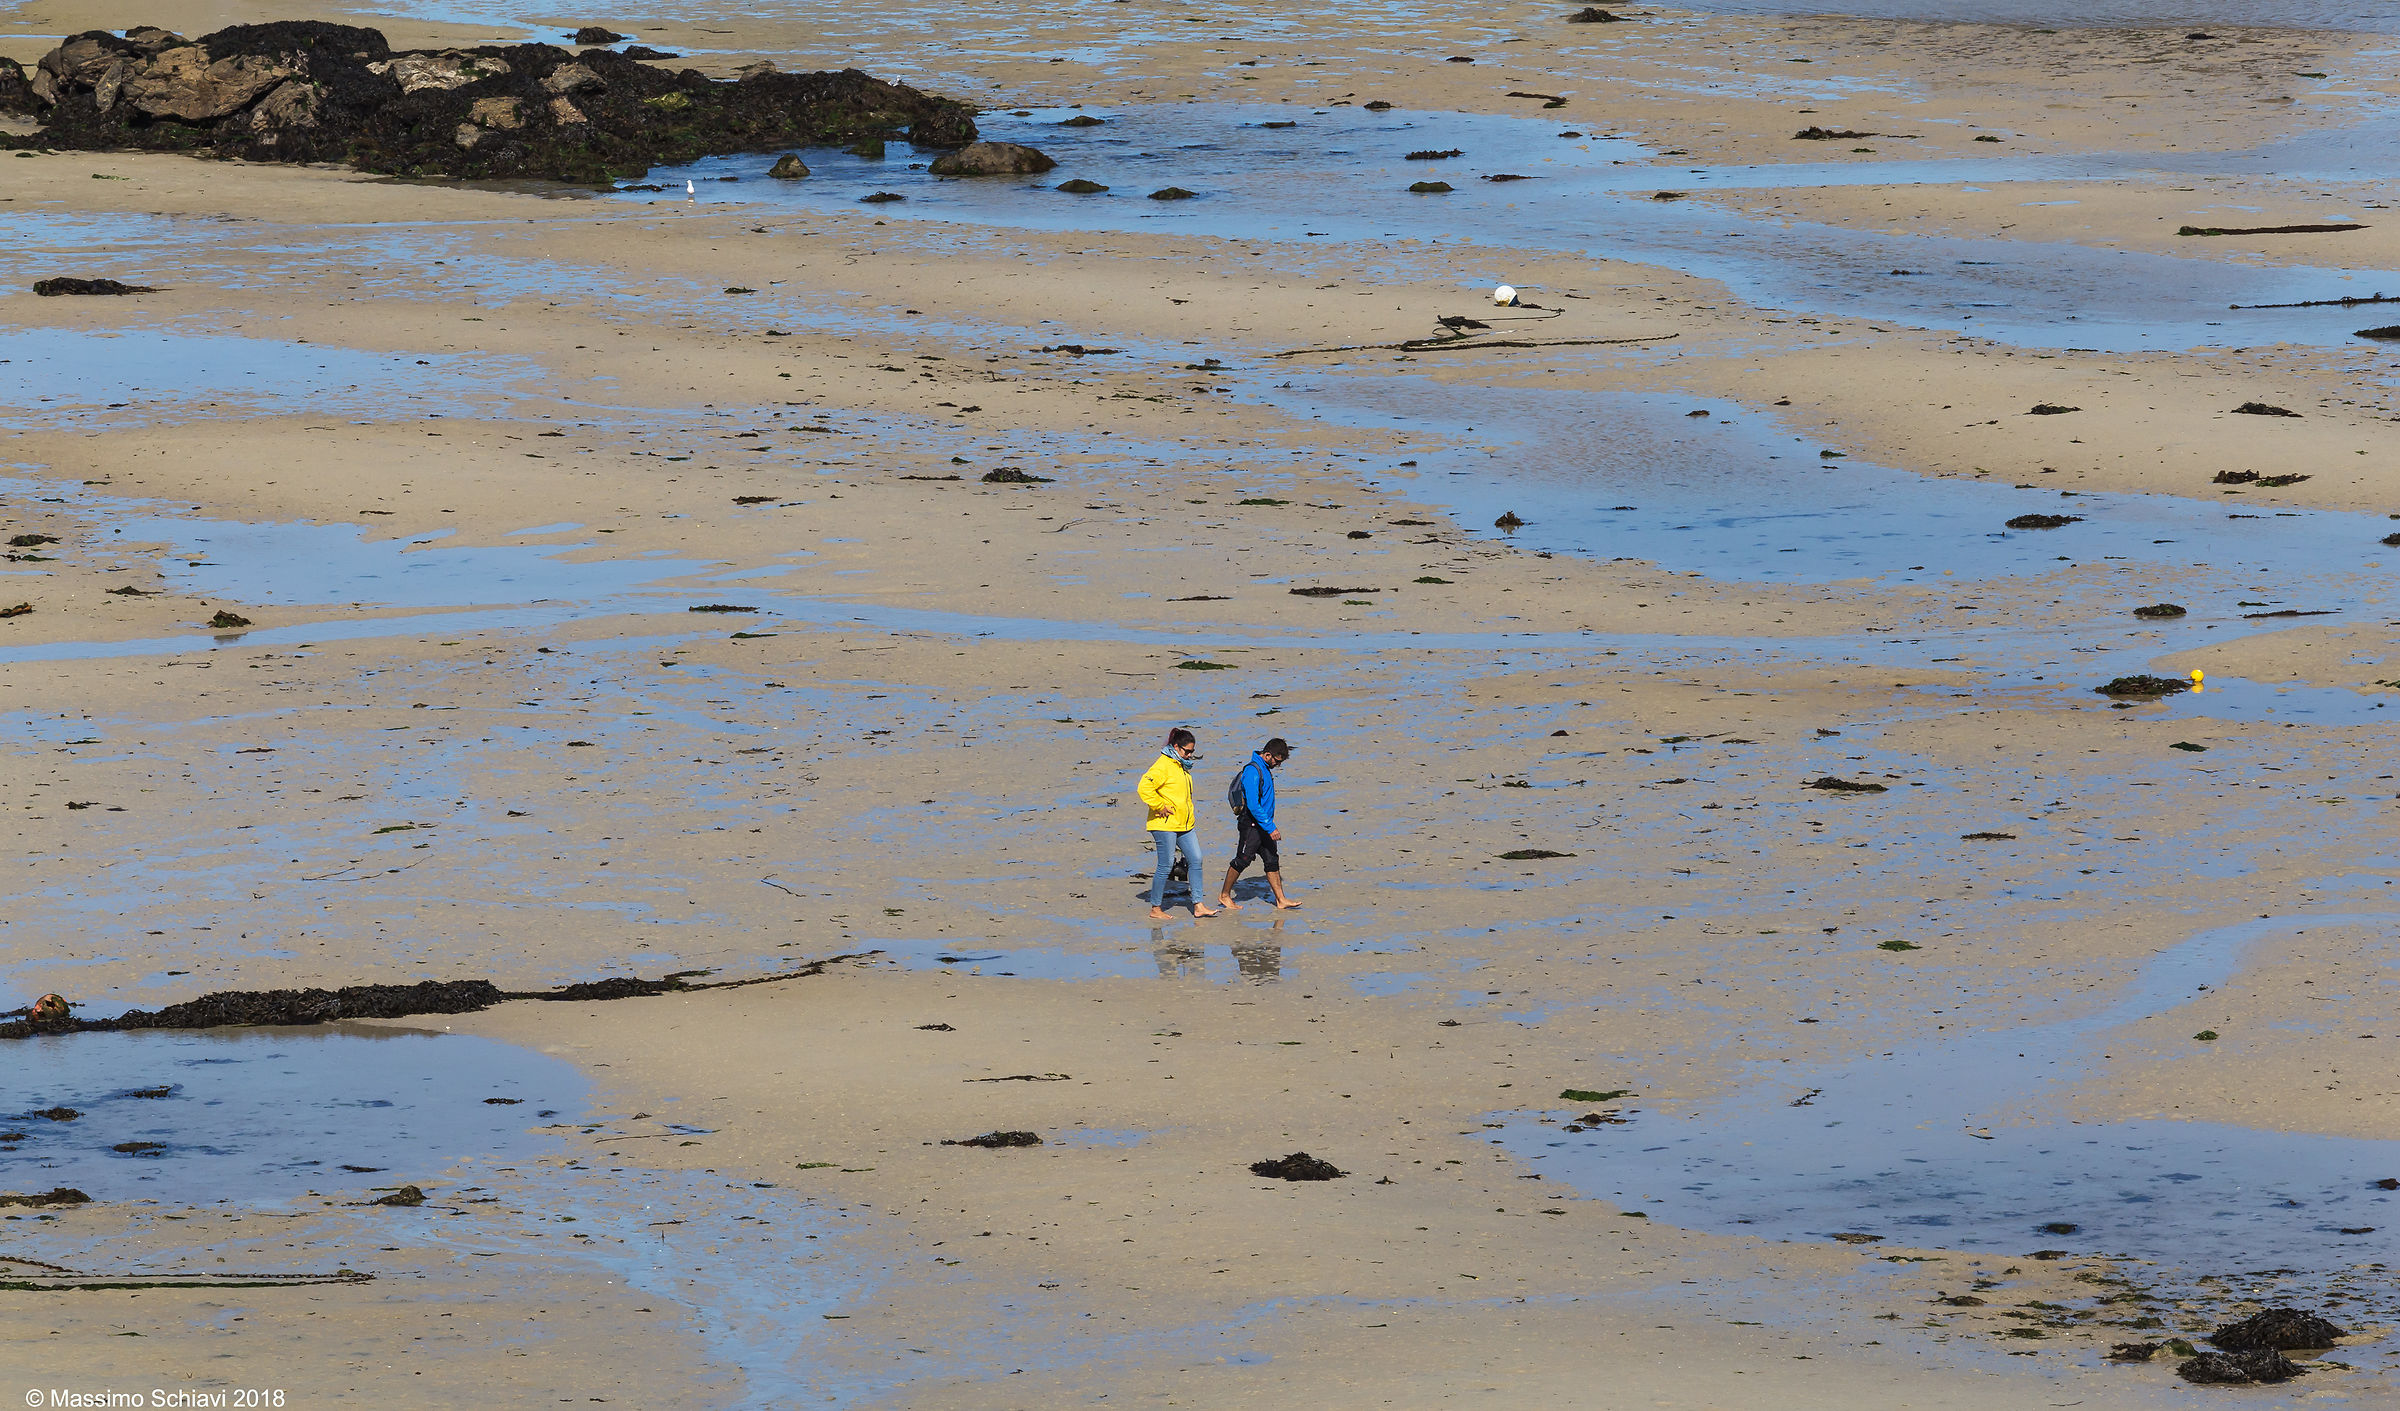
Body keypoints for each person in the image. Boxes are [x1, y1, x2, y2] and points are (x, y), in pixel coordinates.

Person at [1137, 728, 1218, 921]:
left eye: (1192, 752)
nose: (1190, 755)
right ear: (1175, 747)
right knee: (1165, 866)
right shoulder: (1163, 764)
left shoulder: (1181, 765)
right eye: (1187, 751)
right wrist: (1159, 805)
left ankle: (1198, 905)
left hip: (1184, 824)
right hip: (1164, 824)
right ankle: (1155, 908)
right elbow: (1144, 787)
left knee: (1196, 859)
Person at [1220, 737, 1300, 911]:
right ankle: (1225, 895)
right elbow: (1254, 805)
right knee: (1243, 859)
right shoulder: (1253, 771)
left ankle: (1280, 899)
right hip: (1251, 825)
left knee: (1272, 860)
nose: (1277, 766)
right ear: (1268, 754)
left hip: (1263, 824)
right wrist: (1271, 827)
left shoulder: (1264, 768)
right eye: (1277, 761)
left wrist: (1268, 825)